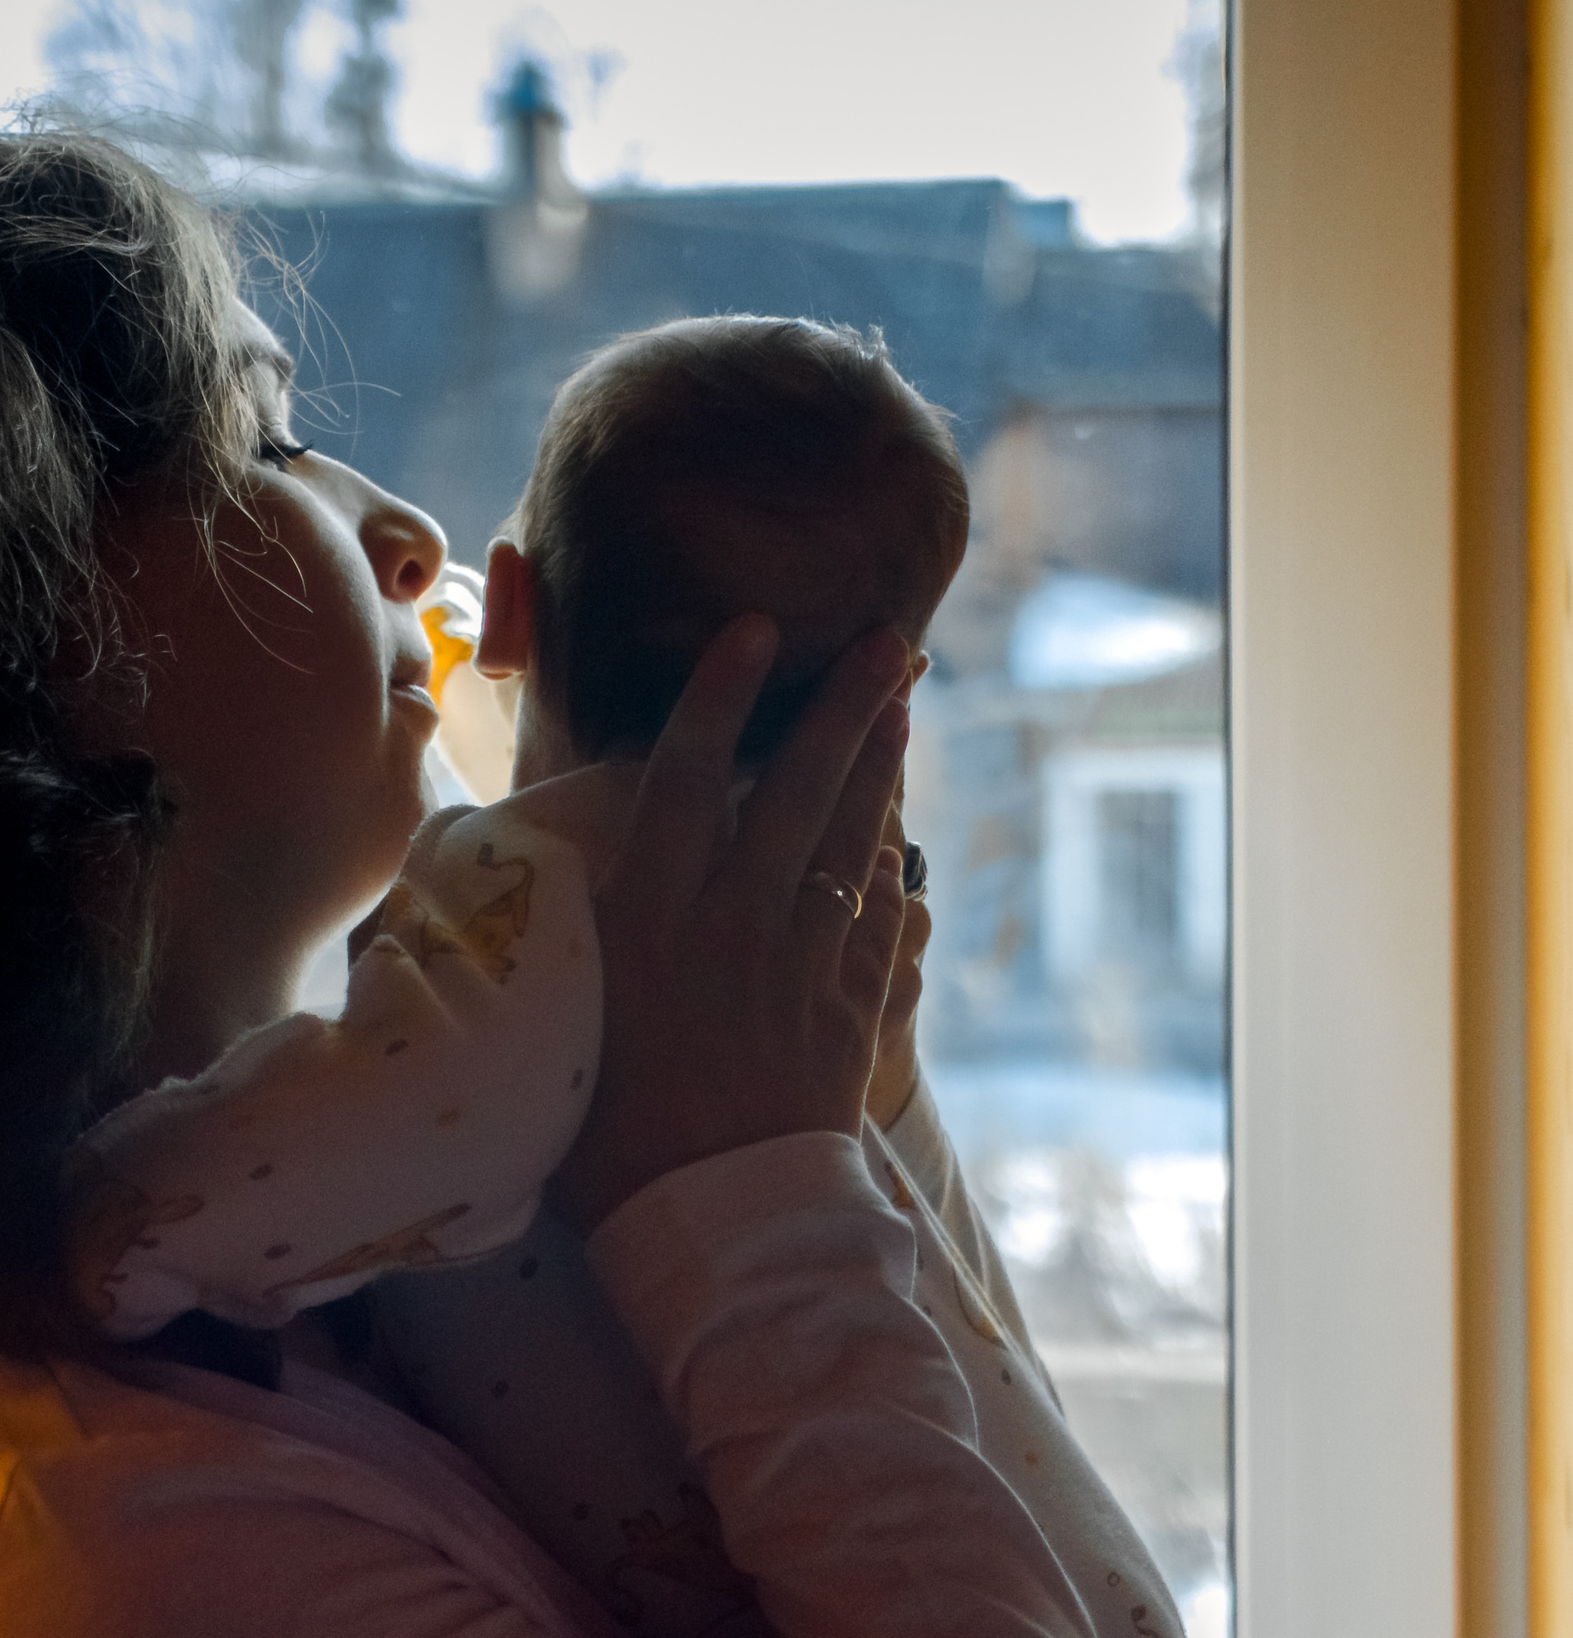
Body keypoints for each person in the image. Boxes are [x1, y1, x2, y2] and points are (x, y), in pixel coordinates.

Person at [0, 133, 1053, 1638]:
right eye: (266, 443)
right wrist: (745, 1195)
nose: (413, 541)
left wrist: (811, 1081)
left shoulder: (280, 1213)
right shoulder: (136, 1562)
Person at [62, 316, 1181, 1638]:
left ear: (515, 603)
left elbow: (400, 1105)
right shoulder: (720, 933)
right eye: (267, 444)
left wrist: (86, 1230)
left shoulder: (559, 910)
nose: (408, 531)